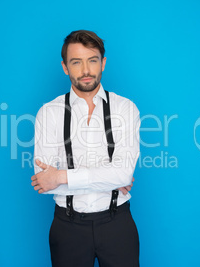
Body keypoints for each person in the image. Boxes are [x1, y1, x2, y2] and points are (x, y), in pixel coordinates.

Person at [31, 30, 141, 267]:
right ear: (65, 67)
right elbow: (44, 182)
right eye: (76, 62)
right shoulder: (49, 112)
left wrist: (61, 176)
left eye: (92, 60)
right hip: (68, 228)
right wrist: (108, 177)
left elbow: (122, 174)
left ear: (103, 63)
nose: (86, 70)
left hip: (117, 224)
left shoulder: (125, 108)